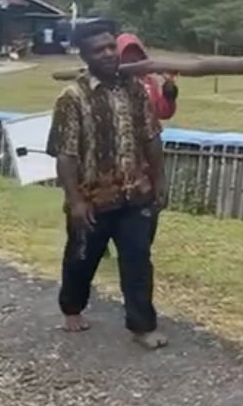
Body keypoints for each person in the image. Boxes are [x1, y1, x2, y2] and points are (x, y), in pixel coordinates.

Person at [46, 22, 169, 349]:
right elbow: (65, 154)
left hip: (135, 194)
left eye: (111, 46)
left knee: (138, 260)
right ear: (85, 56)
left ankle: (142, 326)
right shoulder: (72, 97)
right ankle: (72, 308)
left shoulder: (135, 90)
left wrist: (159, 179)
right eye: (98, 50)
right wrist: (75, 201)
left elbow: (152, 137)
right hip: (92, 201)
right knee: (81, 258)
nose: (108, 53)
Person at [117, 33, 179, 121]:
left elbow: (163, 112)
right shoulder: (115, 84)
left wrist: (169, 90)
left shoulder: (150, 82)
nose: (134, 62)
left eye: (138, 57)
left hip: (148, 128)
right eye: (128, 59)